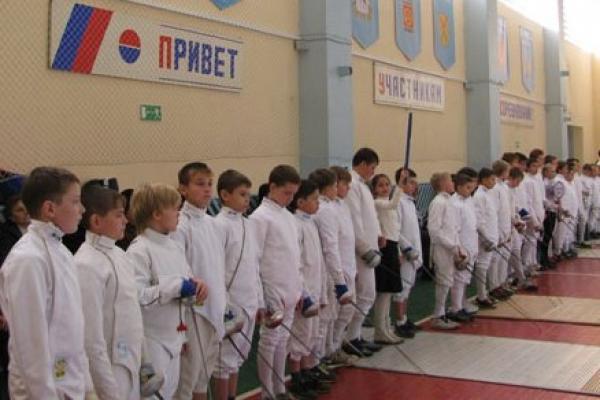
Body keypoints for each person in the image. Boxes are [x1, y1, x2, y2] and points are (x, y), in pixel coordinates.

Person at [0, 167, 97, 399]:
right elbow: (30, 344)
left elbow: (74, 328)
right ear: (50, 209)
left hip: (70, 384)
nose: (82, 210)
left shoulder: (61, 251)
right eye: (75, 201)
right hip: (41, 391)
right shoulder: (28, 259)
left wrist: (87, 386)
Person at [127, 183, 208, 399]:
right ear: (156, 214)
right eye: (174, 208)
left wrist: (196, 286)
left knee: (170, 392)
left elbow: (186, 282)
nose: (178, 213)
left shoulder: (174, 246)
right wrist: (175, 286)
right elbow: (137, 298)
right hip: (152, 341)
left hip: (175, 338)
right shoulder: (139, 250)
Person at [74, 183, 144, 400]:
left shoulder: (120, 255)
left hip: (131, 361)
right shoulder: (85, 264)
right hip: (109, 368)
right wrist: (107, 390)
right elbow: (91, 337)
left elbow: (134, 313)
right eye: (119, 215)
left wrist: (146, 361)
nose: (125, 221)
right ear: (96, 221)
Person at [172, 162, 227, 400]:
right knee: (188, 378)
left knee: (203, 377)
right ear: (183, 189)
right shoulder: (179, 225)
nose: (207, 189)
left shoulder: (212, 224)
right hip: (193, 312)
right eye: (200, 184)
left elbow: (218, 269)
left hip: (215, 310)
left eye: (209, 184)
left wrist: (224, 304)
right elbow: (179, 269)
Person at [251, 165, 302, 399]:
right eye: (286, 193)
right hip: (272, 291)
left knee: (283, 340)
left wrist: (299, 289)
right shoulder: (259, 218)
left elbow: (295, 257)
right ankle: (267, 393)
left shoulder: (289, 217)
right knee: (270, 341)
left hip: (290, 289)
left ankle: (280, 388)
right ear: (272, 187)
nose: (290, 198)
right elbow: (255, 260)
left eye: (293, 194)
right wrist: (263, 298)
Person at [213, 170, 263, 400]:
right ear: (225, 195)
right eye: (242, 194)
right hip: (231, 304)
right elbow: (217, 269)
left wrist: (260, 302)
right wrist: (224, 307)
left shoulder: (248, 224)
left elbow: (254, 266)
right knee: (224, 360)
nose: (247, 199)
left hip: (249, 300)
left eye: (248, 194)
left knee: (239, 357)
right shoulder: (218, 225)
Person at [288, 179, 329, 400]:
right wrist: (303, 293)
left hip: (315, 288)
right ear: (300, 201)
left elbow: (318, 262)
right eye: (314, 199)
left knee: (311, 334)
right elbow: (296, 264)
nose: (318, 203)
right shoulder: (295, 225)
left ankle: (307, 370)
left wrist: (321, 293)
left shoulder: (311, 223)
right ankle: (296, 377)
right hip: (303, 293)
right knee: (299, 336)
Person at [309, 168, 354, 367]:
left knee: (331, 316)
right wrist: (339, 279)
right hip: (330, 272)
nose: (337, 189)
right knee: (325, 319)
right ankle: (319, 360)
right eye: (335, 185)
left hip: (339, 269)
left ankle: (328, 352)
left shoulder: (332, 207)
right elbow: (330, 246)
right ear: (326, 188)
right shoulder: (325, 210)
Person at [343, 148, 383, 356]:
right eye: (372, 167)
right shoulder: (352, 184)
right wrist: (364, 248)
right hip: (360, 250)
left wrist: (379, 234)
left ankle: (355, 336)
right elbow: (354, 219)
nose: (373, 172)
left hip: (370, 246)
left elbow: (370, 216)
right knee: (365, 294)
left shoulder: (363, 186)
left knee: (367, 295)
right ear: (363, 164)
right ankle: (350, 339)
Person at [370, 173, 404, 344]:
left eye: (387, 184)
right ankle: (380, 330)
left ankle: (386, 328)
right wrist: (401, 185)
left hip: (392, 247)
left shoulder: (388, 204)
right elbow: (392, 204)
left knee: (389, 292)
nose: (385, 188)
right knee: (383, 292)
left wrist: (398, 252)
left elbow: (395, 231)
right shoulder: (377, 203)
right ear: (374, 189)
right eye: (380, 185)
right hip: (384, 249)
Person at [328, 166, 358, 362]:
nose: (348, 187)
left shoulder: (344, 206)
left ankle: (336, 345)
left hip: (349, 265)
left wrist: (352, 268)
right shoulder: (327, 209)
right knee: (333, 313)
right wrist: (339, 274)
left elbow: (348, 239)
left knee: (348, 310)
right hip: (336, 269)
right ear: (335, 184)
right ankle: (329, 350)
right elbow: (331, 245)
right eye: (345, 184)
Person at [427, 172, 461, 329]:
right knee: (443, 281)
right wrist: (451, 245)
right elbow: (434, 230)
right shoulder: (438, 202)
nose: (453, 183)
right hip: (441, 248)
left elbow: (453, 228)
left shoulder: (449, 201)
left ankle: (441, 313)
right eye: (450, 181)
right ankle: (437, 316)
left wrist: (457, 247)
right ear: (442, 183)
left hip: (450, 248)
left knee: (448, 281)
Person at [393, 167, 423, 338]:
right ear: (402, 183)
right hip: (404, 253)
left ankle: (404, 319)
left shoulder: (410, 202)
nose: (414, 186)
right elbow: (395, 229)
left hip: (414, 252)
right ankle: (399, 322)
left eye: (415, 183)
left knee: (408, 286)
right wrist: (402, 249)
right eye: (411, 182)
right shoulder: (398, 202)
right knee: (402, 288)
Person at [448, 174, 478, 322]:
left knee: (465, 278)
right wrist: (459, 249)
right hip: (462, 245)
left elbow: (472, 225)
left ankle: (462, 305)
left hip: (471, 244)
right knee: (459, 279)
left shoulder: (468, 201)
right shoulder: (454, 204)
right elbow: (454, 228)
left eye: (471, 188)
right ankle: (455, 309)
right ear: (458, 187)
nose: (470, 191)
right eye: (467, 188)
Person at [473, 168, 499, 308]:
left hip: (492, 236)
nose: (494, 182)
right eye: (491, 179)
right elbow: (479, 220)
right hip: (485, 238)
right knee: (482, 266)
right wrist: (486, 238)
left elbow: (492, 217)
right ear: (483, 179)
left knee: (488, 264)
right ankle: (481, 296)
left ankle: (487, 292)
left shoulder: (488, 194)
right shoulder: (479, 196)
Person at [0, 195, 30, 265]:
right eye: (20, 210)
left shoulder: (40, 226)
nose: (26, 212)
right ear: (11, 218)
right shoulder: (5, 236)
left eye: (27, 207)